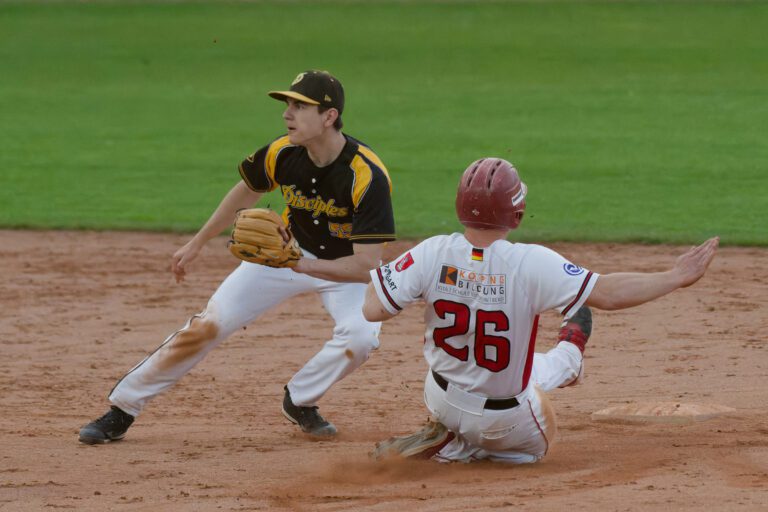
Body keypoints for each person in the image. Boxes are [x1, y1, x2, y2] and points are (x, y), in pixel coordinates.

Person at [79, 70, 396, 444]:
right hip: (286, 253)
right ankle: (122, 408)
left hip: (341, 270)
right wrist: (198, 242)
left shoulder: (366, 175)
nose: (286, 114)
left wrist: (299, 264)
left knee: (360, 338)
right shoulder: (283, 152)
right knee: (210, 323)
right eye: (287, 105)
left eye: (299, 106)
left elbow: (366, 266)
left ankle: (300, 399)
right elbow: (246, 192)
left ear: (329, 116)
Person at [363, 157, 718, 464]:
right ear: (515, 212)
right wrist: (675, 277)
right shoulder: (530, 262)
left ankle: (464, 429)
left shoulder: (431, 252)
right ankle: (460, 448)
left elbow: (373, 310)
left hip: (438, 397)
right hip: (504, 422)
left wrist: (438, 284)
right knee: (531, 449)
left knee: (529, 366)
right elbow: (607, 294)